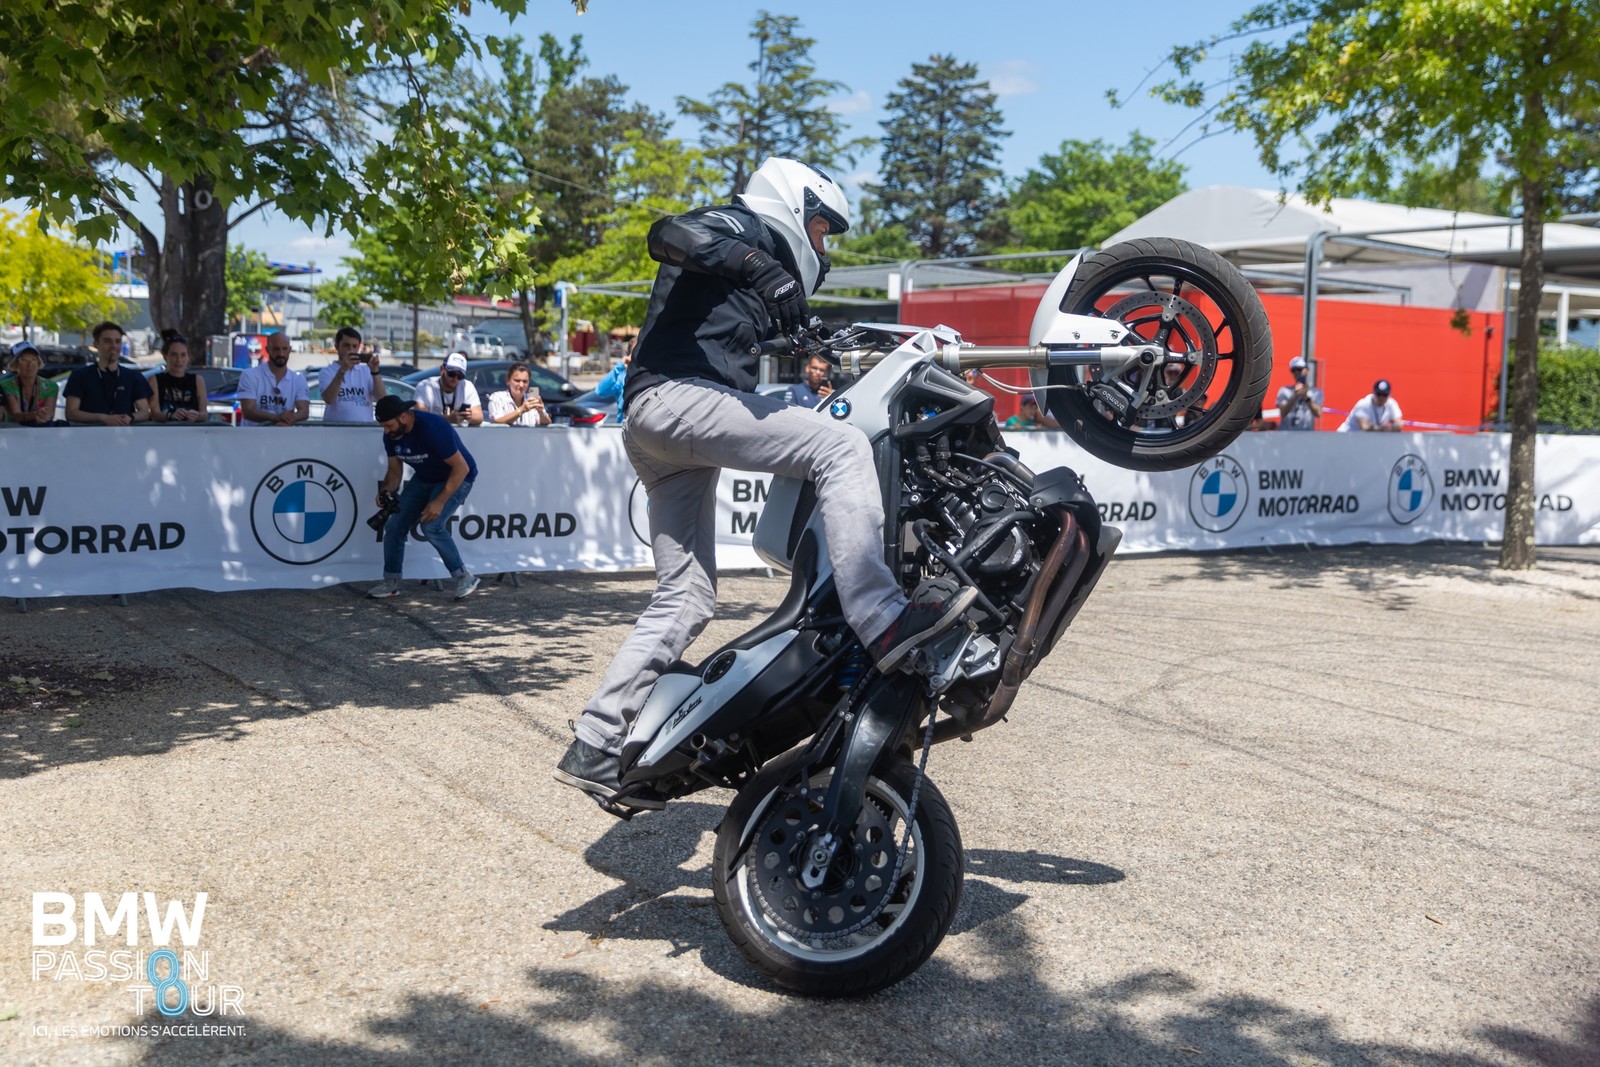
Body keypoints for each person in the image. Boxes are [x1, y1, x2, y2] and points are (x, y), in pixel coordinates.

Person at [554, 157, 977, 811]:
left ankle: (596, 743)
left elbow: (763, 334)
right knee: (838, 446)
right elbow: (667, 233)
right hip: (675, 402)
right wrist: (760, 265)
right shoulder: (742, 226)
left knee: (686, 598)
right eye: (822, 228)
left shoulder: (750, 284)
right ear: (793, 202)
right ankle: (883, 619)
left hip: (662, 426)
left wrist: (815, 343)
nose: (824, 248)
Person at [369, 394, 481, 601]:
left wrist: (439, 501)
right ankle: (391, 583)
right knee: (394, 527)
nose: (385, 430)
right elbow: (394, 472)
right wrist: (386, 491)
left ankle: (465, 577)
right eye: (383, 426)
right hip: (424, 479)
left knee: (431, 526)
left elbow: (461, 468)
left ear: (403, 417)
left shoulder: (431, 427)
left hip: (458, 477)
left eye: (388, 425)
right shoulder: (391, 436)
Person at [64, 321, 153, 426]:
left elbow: (144, 412)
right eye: (108, 341)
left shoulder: (133, 376)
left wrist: (130, 417)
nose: (114, 346)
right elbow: (71, 412)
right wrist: (102, 418)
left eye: (118, 341)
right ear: (96, 344)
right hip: (89, 437)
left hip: (125, 437)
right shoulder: (80, 376)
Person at [237, 332, 311, 426]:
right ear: (268, 350)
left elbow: (304, 411)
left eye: (284, 349)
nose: (281, 353)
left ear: (290, 350)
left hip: (283, 438)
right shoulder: (249, 375)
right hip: (253, 438)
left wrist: (288, 419)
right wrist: (276, 418)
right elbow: (248, 411)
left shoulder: (298, 379)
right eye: (276, 349)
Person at [319, 326, 387, 422]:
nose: (351, 350)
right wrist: (342, 370)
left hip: (363, 430)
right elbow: (329, 399)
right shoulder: (327, 372)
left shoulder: (366, 371)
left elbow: (382, 397)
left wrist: (375, 371)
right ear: (337, 346)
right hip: (335, 431)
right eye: (346, 346)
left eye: (355, 346)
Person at [149, 330, 208, 423]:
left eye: (183, 355)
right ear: (165, 356)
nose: (179, 360)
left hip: (192, 433)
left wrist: (197, 416)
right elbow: (154, 413)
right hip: (164, 433)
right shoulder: (155, 380)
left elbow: (204, 414)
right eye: (174, 355)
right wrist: (170, 415)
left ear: (189, 357)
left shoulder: (198, 380)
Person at [414, 352, 483, 427]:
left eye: (460, 376)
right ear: (442, 370)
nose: (455, 379)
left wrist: (467, 417)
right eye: (451, 374)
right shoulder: (426, 387)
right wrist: (447, 419)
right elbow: (420, 418)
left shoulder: (467, 386)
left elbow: (479, 417)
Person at [2, 341, 60, 426]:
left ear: (38, 363)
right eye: (24, 360)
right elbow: (16, 416)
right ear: (15, 364)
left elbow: (49, 416)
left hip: (40, 432)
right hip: (13, 432)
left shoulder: (51, 386)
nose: (30, 364)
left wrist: (43, 415)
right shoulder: (6, 385)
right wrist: (35, 414)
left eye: (34, 359)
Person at [485, 362, 551, 427]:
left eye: (525, 381)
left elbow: (547, 422)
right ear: (508, 380)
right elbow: (497, 421)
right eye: (517, 381)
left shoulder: (531, 398)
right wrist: (521, 410)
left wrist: (541, 412)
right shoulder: (497, 398)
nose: (521, 385)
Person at [1276, 356, 1323, 431]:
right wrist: (1295, 396)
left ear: (1307, 370)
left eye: (1299, 369)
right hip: (1287, 436)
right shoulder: (1284, 390)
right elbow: (1283, 413)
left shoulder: (1316, 392)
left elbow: (1318, 413)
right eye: (1294, 370)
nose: (1297, 372)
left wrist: (1306, 397)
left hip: (1305, 437)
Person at [591, 342, 632, 423]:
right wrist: (620, 366)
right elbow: (600, 391)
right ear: (629, 354)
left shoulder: (653, 377)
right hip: (624, 430)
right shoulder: (622, 378)